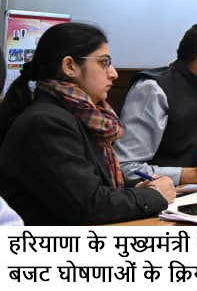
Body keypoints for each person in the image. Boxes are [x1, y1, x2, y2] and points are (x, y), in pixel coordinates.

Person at [0, 23, 175, 225]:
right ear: (70, 66)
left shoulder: (80, 117)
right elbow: (89, 205)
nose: (114, 73)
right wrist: (153, 195)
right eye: (104, 63)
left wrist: (137, 194)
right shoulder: (46, 123)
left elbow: (91, 193)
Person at [116, 22, 197, 185]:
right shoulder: (153, 89)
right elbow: (126, 168)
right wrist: (195, 174)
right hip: (150, 198)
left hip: (191, 195)